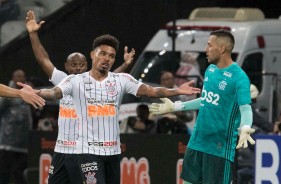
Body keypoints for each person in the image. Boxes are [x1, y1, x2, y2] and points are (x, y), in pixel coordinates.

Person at [34, 34, 201, 184]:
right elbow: (53, 93)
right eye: (103, 54)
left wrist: (176, 91)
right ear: (92, 55)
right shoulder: (74, 81)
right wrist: (34, 92)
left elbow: (151, 90)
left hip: (112, 151)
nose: (107, 58)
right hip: (87, 151)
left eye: (112, 56)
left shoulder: (121, 80)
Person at [26, 10, 136, 184]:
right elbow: (43, 60)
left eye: (81, 64)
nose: (77, 68)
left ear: (87, 63)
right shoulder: (63, 80)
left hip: (83, 150)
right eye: (73, 64)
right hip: (63, 149)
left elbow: (113, 77)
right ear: (66, 66)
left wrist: (125, 65)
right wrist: (33, 34)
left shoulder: (92, 82)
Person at [149, 29, 255, 184]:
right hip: (196, 142)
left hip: (218, 148)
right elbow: (206, 100)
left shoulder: (240, 78)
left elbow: (245, 108)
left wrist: (245, 127)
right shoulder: (210, 70)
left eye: (209, 45)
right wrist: (175, 107)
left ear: (222, 48)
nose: (205, 50)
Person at [0, 69, 37, 184]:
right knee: (4, 172)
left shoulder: (28, 92)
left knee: (20, 173)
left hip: (23, 142)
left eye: (23, 76)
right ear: (13, 78)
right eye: (18, 76)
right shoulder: (7, 93)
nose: (21, 78)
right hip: (8, 141)